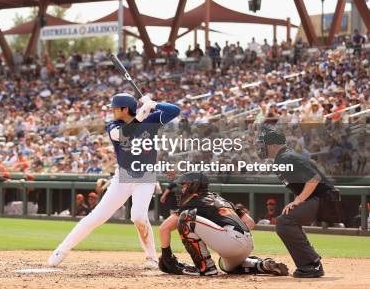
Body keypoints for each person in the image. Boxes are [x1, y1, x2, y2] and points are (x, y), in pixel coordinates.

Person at [47, 92, 180, 268]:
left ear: (125, 109)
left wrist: (153, 104)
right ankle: (61, 250)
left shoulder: (151, 119)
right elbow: (125, 133)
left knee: (139, 216)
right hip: (122, 177)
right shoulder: (113, 125)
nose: (112, 111)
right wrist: (142, 113)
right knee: (97, 217)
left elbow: (175, 110)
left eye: (115, 108)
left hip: (146, 176)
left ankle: (151, 257)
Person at [157, 172, 288, 277]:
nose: (183, 189)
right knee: (225, 265)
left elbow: (164, 228)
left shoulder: (194, 201)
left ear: (194, 186)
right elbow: (250, 222)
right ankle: (261, 265)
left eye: (185, 185)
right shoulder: (221, 199)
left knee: (185, 218)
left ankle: (205, 267)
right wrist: (224, 234)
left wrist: (166, 256)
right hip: (247, 244)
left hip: (230, 242)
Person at [257, 126, 340, 278]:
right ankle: (311, 262)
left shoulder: (287, 157)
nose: (261, 148)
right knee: (287, 220)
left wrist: (298, 200)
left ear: (274, 145)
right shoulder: (283, 157)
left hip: (324, 198)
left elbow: (314, 178)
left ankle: (311, 265)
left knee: (284, 222)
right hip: (320, 198)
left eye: (264, 144)